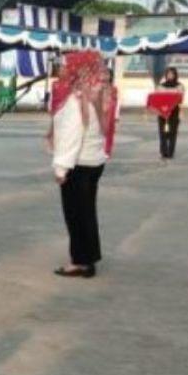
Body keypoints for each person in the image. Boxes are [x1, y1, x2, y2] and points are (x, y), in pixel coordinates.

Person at [48, 51, 117, 278]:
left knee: (76, 215)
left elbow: (71, 133)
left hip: (77, 163)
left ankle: (80, 262)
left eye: (66, 66)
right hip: (94, 161)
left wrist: (60, 167)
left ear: (78, 70)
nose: (61, 69)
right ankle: (88, 259)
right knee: (87, 213)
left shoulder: (77, 97)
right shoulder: (102, 91)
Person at [155, 67, 184, 162]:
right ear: (166, 75)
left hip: (174, 112)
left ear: (175, 75)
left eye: (172, 74)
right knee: (163, 133)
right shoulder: (160, 86)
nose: (170, 75)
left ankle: (171, 152)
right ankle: (164, 152)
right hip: (162, 112)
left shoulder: (179, 86)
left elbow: (181, 99)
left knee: (172, 132)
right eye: (168, 73)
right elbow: (157, 99)